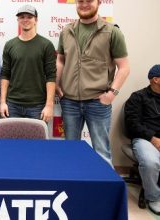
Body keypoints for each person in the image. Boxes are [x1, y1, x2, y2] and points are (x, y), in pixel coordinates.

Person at [56, 0, 130, 165]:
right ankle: (72, 187)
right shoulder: (67, 30)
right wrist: (57, 84)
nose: (84, 4)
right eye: (80, 1)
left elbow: (124, 67)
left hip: (98, 102)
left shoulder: (112, 32)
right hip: (69, 102)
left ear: (99, 3)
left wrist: (112, 94)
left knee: (101, 152)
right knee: (70, 151)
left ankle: (105, 191)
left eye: (89, 0)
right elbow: (60, 60)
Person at [0, 5, 56, 122]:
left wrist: (49, 105)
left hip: (37, 106)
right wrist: (3, 102)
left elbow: (51, 76)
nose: (25, 20)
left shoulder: (46, 45)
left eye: (29, 17)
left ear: (36, 20)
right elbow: (5, 74)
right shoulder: (10, 45)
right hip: (12, 105)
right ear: (18, 20)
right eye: (22, 17)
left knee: (36, 140)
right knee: (11, 140)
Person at [125, 65, 160, 215]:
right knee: (151, 162)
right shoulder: (138, 97)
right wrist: (153, 139)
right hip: (145, 139)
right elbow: (132, 125)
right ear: (156, 80)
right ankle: (153, 197)